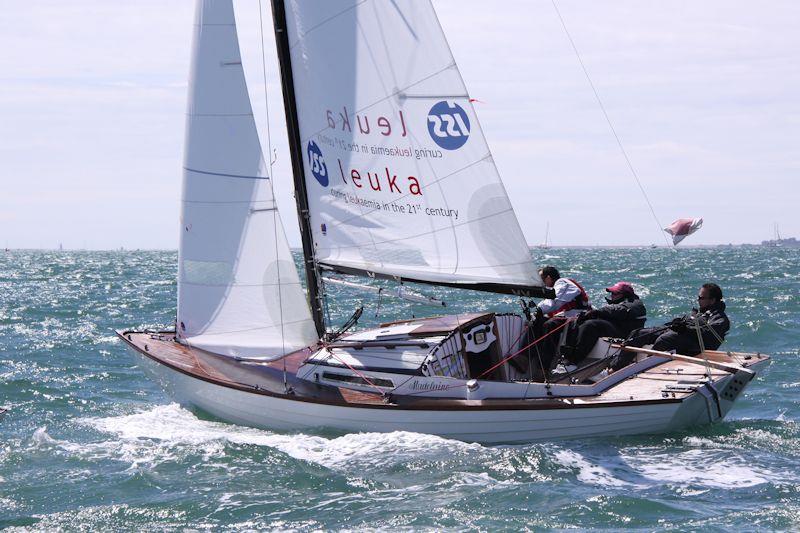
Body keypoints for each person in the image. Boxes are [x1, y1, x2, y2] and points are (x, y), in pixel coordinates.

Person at [624, 282, 730, 358]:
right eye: (698, 297)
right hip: (683, 335)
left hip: (695, 348)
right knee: (638, 333)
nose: (698, 300)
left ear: (712, 300)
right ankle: (615, 368)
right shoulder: (699, 313)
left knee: (666, 338)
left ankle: (645, 365)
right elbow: (684, 324)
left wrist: (685, 329)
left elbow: (707, 334)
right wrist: (677, 323)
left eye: (701, 298)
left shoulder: (719, 318)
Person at [560, 281, 646, 365]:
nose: (612, 296)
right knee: (575, 322)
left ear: (625, 295)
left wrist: (597, 312)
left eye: (615, 294)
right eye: (611, 293)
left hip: (626, 333)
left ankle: (574, 361)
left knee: (591, 325)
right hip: (616, 327)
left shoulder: (636, 304)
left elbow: (620, 310)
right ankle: (566, 356)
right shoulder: (620, 304)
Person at [527, 266, 591, 378]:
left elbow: (554, 302)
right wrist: (536, 314)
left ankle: (543, 368)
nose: (541, 283)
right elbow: (550, 304)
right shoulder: (556, 288)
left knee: (549, 325)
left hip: (577, 317)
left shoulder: (562, 283)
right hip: (567, 315)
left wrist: (538, 310)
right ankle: (524, 357)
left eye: (542, 279)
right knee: (537, 322)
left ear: (548, 278)